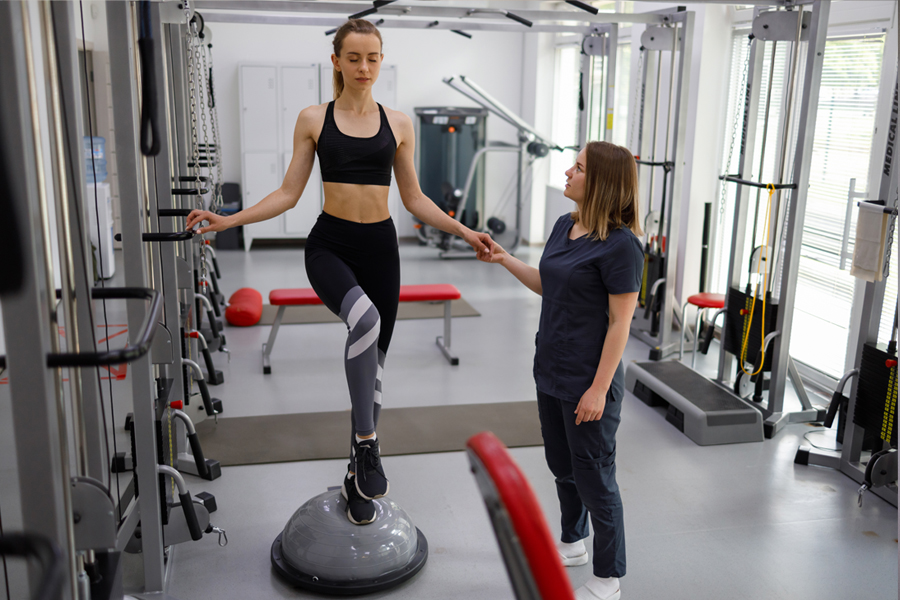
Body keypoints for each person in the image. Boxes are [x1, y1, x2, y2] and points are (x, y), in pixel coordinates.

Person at [186, 19, 492, 526]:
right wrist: (230, 219)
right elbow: (289, 192)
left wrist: (464, 232)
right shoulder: (313, 118)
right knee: (364, 321)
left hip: (380, 250)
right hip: (329, 246)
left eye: (373, 58)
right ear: (336, 61)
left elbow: (413, 199)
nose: (364, 67)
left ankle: (356, 472)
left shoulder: (398, 124)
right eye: (354, 58)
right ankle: (370, 444)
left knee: (373, 372)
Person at [477, 141, 643, 600]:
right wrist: (505, 259)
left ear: (602, 183)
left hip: (588, 382)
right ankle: (572, 542)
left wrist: (598, 389)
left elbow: (620, 324)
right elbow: (548, 284)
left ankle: (608, 577)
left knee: (594, 478)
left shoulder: (621, 247)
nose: (568, 172)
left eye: (579, 168)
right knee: (561, 465)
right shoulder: (562, 226)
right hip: (550, 370)